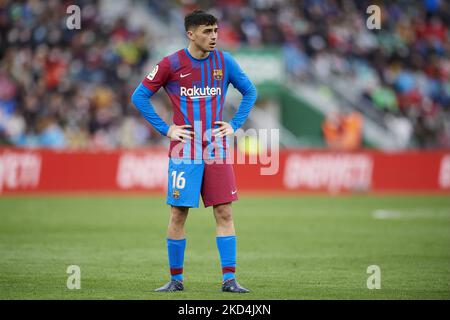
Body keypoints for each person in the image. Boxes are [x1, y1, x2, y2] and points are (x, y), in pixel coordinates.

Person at [131, 10, 257, 293]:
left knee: (224, 212)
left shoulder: (224, 62)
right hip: (184, 149)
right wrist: (166, 129)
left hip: (216, 148)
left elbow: (250, 91)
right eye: (207, 31)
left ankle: (230, 280)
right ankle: (176, 280)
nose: (214, 37)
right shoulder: (171, 63)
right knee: (178, 213)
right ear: (191, 34)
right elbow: (139, 95)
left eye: (215, 31)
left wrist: (235, 124)